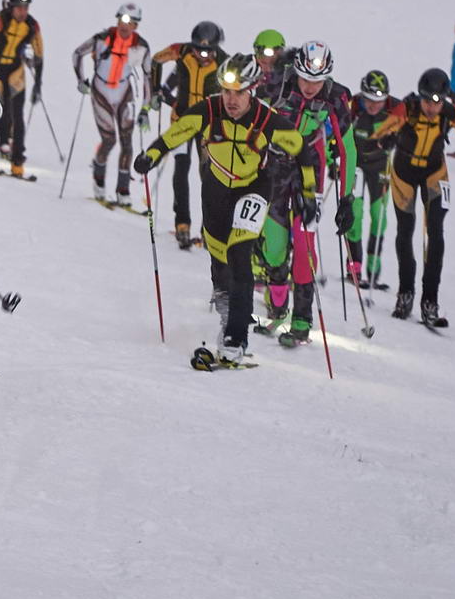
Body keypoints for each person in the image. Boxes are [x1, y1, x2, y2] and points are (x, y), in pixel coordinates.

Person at [135, 55, 302, 366]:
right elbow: (179, 131)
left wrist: (307, 193)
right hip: (216, 186)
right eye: (226, 92)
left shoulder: (267, 120)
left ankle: (236, 337)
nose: (231, 100)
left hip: (253, 186)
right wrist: (152, 154)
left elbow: (301, 149)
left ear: (252, 90)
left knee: (240, 254)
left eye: (239, 93)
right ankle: (225, 303)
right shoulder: (209, 110)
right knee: (218, 254)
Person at [371, 69, 455, 327]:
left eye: (436, 102)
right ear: (420, 96)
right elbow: (380, 135)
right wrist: (387, 140)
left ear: (444, 99)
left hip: (435, 173)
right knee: (405, 231)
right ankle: (405, 293)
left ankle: (430, 301)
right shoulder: (407, 108)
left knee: (435, 231)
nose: (431, 107)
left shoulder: (450, 112)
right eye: (427, 101)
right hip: (404, 174)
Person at [259, 41, 353, 346]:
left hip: (309, 170)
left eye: (317, 80)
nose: (311, 87)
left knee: (303, 242)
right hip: (275, 166)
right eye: (305, 79)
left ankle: (301, 319)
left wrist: (347, 197)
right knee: (273, 245)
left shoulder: (335, 97)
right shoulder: (277, 85)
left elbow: (346, 148)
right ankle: (277, 304)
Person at [149, 21, 226, 248]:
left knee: (208, 176)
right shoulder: (180, 50)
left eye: (208, 51)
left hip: (208, 127)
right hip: (181, 121)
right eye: (198, 49)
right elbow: (156, 60)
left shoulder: (224, 61)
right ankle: (182, 224)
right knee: (181, 170)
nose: (202, 55)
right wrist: (156, 91)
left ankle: (208, 229)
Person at [71, 4, 153, 206]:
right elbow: (77, 54)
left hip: (124, 94)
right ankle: (99, 182)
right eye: (122, 21)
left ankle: (123, 190)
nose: (125, 26)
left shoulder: (141, 46)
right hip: (101, 93)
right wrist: (81, 80)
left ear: (136, 25)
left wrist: (145, 108)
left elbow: (147, 77)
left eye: (131, 23)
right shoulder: (102, 38)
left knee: (127, 143)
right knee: (109, 140)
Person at [0, 0, 42, 176]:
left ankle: (17, 161)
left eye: (26, 8)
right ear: (12, 7)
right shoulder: (1, 20)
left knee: (17, 117)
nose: (23, 12)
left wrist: (38, 84)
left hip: (16, 74)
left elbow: (39, 55)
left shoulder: (32, 26)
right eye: (19, 8)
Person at [345, 70, 398, 290]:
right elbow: (337, 132)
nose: (374, 105)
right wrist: (334, 162)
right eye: (369, 100)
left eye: (379, 101)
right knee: (354, 214)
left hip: (380, 165)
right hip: (356, 163)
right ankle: (354, 266)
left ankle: (373, 268)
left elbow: (410, 129)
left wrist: (394, 139)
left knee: (380, 215)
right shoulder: (354, 107)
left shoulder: (394, 109)